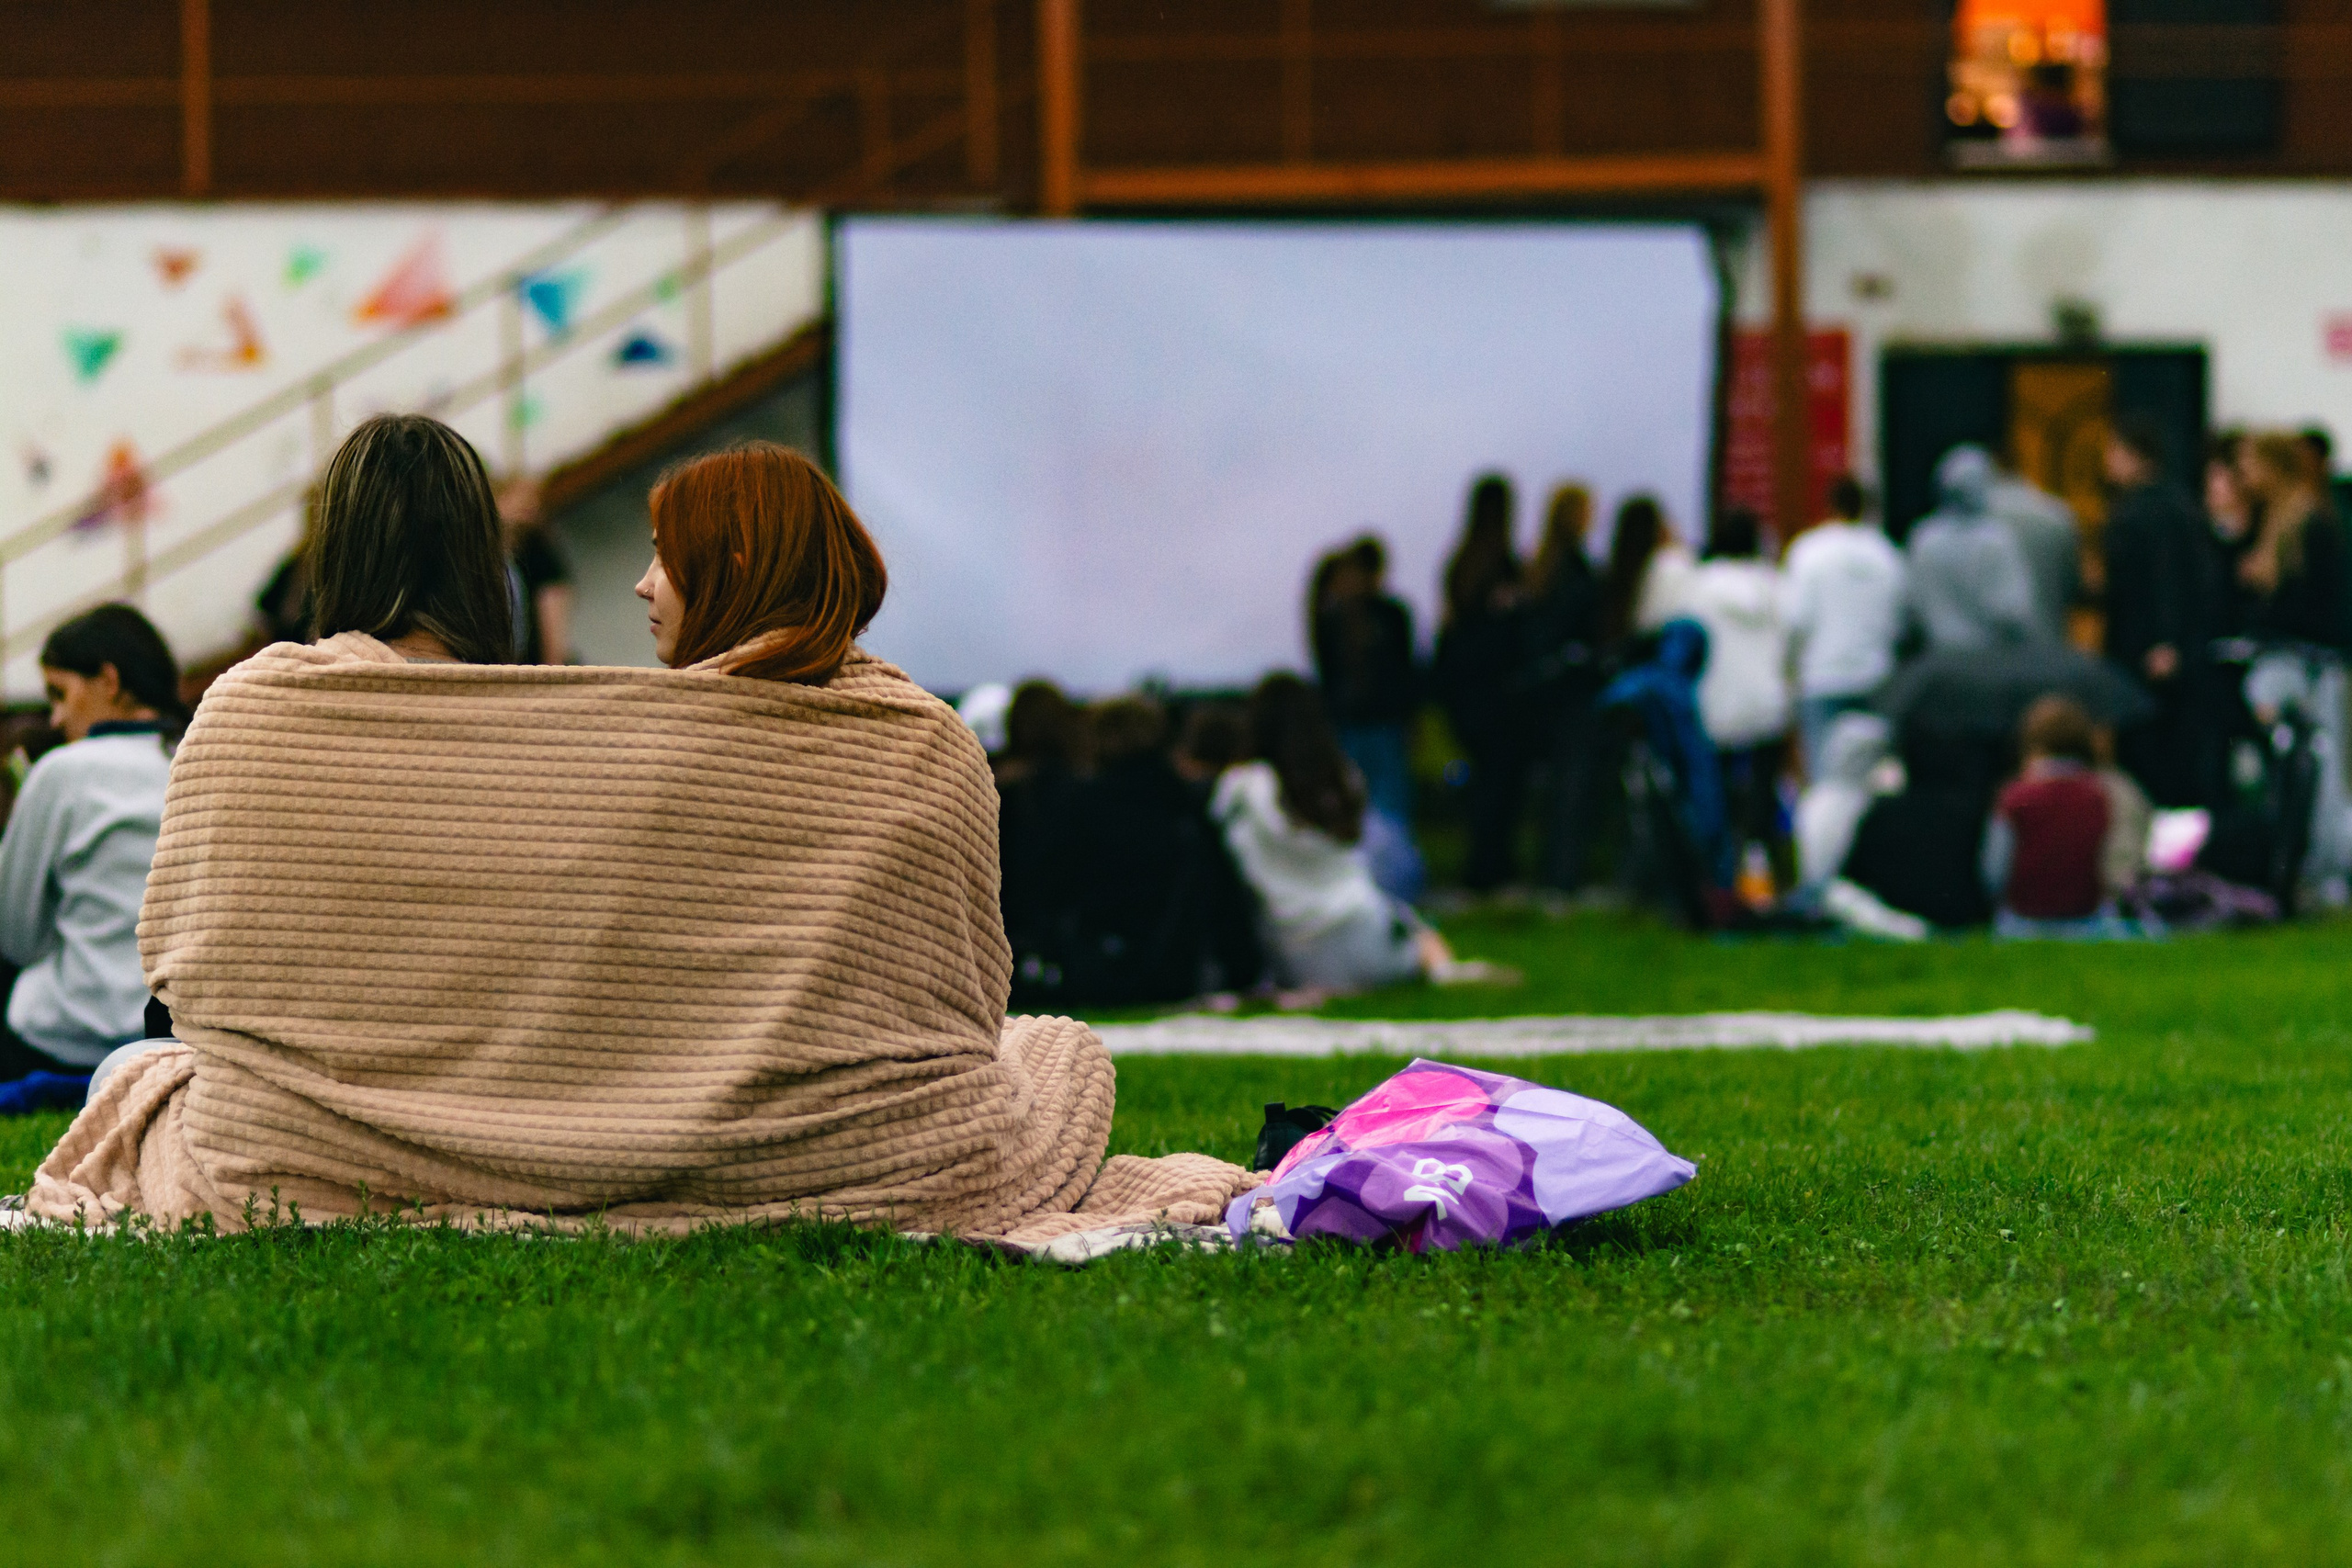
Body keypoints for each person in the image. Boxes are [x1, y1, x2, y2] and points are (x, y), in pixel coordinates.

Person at [33, 433, 1256, 1243]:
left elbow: (184, 974)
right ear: (482, 565)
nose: (637, 583)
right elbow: (960, 998)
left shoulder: (259, 706)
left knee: (139, 1080)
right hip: (844, 1135)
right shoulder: (911, 737)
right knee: (1036, 1048)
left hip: (304, 1137)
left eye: (666, 556)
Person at [0, 605, 182, 1111]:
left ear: (109, 680)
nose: (56, 718)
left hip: (69, 1032)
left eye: (60, 693)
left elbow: (14, 936)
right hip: (178, 1032)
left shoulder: (62, 772)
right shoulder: (205, 755)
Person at [1212, 674, 1487, 995]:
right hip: (1365, 928)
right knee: (1410, 924)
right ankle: (1442, 967)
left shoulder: (1241, 787)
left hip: (1295, 950)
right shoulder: (1340, 780)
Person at [2101, 414, 2221, 807]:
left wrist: (2164, 640)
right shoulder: (2176, 505)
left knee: (2150, 741)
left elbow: (2165, 576)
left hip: (2146, 645)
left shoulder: (2147, 511)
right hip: (2157, 643)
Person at [1432, 474, 1533, 893]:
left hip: (1466, 694)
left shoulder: (1460, 564)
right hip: (1499, 694)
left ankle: (1483, 865)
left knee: (1483, 785)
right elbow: (1507, 634)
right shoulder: (1503, 566)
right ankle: (1492, 867)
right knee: (1501, 786)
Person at [1782, 475, 1906, 775]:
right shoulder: (1887, 554)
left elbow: (1796, 620)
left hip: (1822, 677)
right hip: (1876, 676)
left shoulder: (1809, 551)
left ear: (1829, 506)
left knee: (1826, 778)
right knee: (1873, 778)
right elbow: (1900, 623)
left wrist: (1788, 671)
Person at [1524, 483, 1607, 891]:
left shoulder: (1542, 566)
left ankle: (1552, 867)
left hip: (1547, 692)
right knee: (1573, 784)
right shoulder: (1575, 569)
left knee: (1559, 785)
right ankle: (1563, 871)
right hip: (1573, 690)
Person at [1983, 694, 2120, 937]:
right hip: (2086, 919)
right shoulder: (2098, 795)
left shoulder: (2016, 797)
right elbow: (2112, 864)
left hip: (2023, 921)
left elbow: (1994, 872)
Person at [1309, 534, 1419, 834]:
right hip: (1359, 722)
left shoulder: (1388, 615)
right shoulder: (1342, 619)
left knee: (1382, 798)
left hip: (1376, 721)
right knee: (1368, 798)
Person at [1907, 446, 2038, 653]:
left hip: (1940, 659)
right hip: (1987, 662)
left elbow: (1912, 609)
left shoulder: (1924, 539)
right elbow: (2013, 611)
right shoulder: (1997, 539)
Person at [2236, 431, 2349, 652]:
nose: (2244, 471)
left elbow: (2311, 594)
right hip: (2291, 643)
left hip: (2303, 648)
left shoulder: (2304, 520)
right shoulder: (2273, 515)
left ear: (2271, 466)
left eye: (2251, 463)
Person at [1986, 458, 2081, 648]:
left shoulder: (1976, 519)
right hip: (2047, 641)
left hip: (1989, 651)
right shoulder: (2057, 515)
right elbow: (2072, 585)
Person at [500, 476, 576, 665]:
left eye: (533, 500)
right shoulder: (507, 557)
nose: (529, 505)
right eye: (517, 498)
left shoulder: (538, 554)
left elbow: (553, 613)